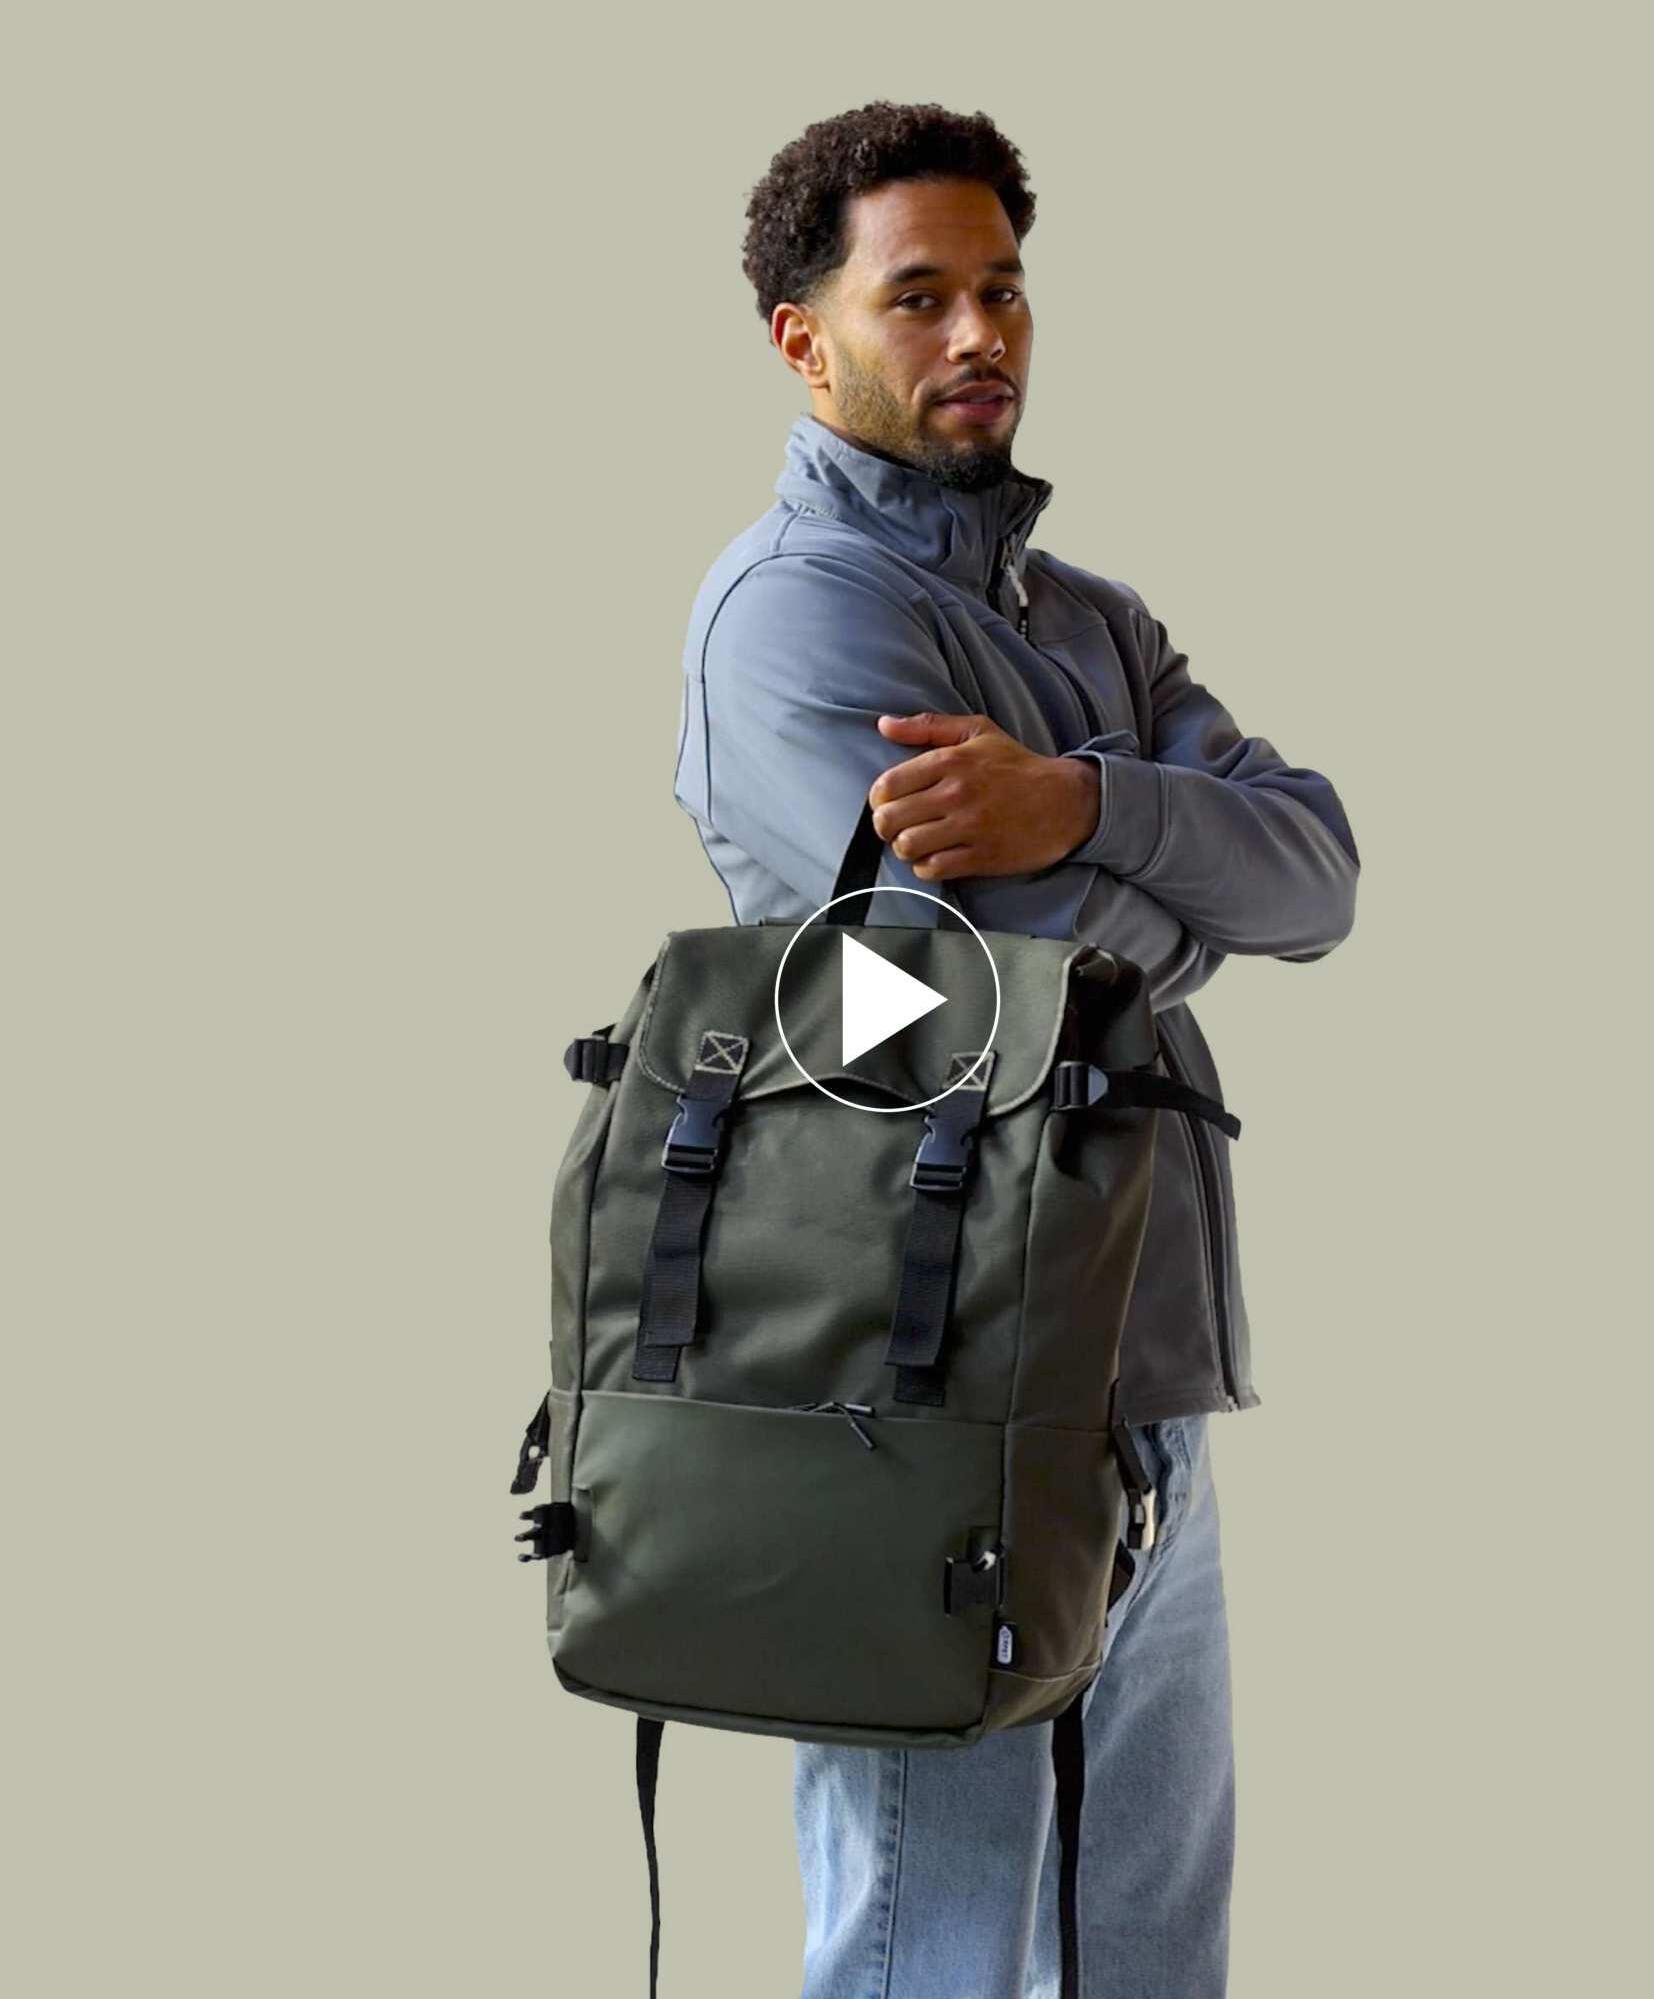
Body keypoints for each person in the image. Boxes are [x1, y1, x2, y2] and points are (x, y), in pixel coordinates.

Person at [671, 100, 1361, 1999]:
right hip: (926, 1392)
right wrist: (1173, 867)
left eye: (1005, 289)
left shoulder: (1093, 623)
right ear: (804, 337)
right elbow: (977, 990)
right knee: (931, 1957)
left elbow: (1318, 873)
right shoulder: (787, 621)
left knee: (1149, 1954)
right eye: (918, 296)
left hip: (1147, 1369)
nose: (981, 333)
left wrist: (1077, 803)